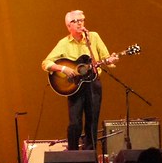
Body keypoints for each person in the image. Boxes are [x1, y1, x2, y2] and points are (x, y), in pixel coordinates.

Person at [41, 10, 118, 153]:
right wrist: (63, 68)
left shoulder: (93, 37)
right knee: (75, 123)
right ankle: (73, 154)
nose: (79, 23)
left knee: (92, 122)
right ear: (68, 26)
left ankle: (90, 157)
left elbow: (105, 57)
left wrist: (111, 59)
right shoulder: (64, 43)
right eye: (75, 21)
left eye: (82, 20)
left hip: (93, 84)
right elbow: (46, 63)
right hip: (75, 86)